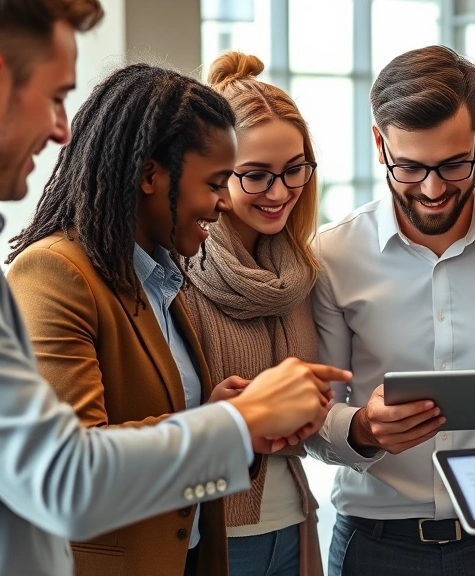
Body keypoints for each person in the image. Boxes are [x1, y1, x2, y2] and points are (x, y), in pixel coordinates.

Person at [0, 2, 347, 575]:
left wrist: (215, 415)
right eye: (56, 96)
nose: (62, 129)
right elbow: (63, 478)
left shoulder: (157, 278)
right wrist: (243, 421)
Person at [306, 45, 475, 576]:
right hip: (376, 544)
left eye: (453, 165)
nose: (432, 190)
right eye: (410, 168)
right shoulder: (330, 256)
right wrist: (361, 429)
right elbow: (315, 416)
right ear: (380, 145)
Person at [5, 62, 256, 576]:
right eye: (215, 183)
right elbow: (72, 471)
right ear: (149, 175)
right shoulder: (54, 274)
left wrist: (224, 419)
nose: (226, 204)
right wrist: (228, 424)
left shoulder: (159, 279)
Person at [183, 52, 324, 576]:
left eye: (294, 171)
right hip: (209, 532)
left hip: (292, 521)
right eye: (257, 176)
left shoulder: (300, 271)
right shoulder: (177, 271)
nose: (281, 192)